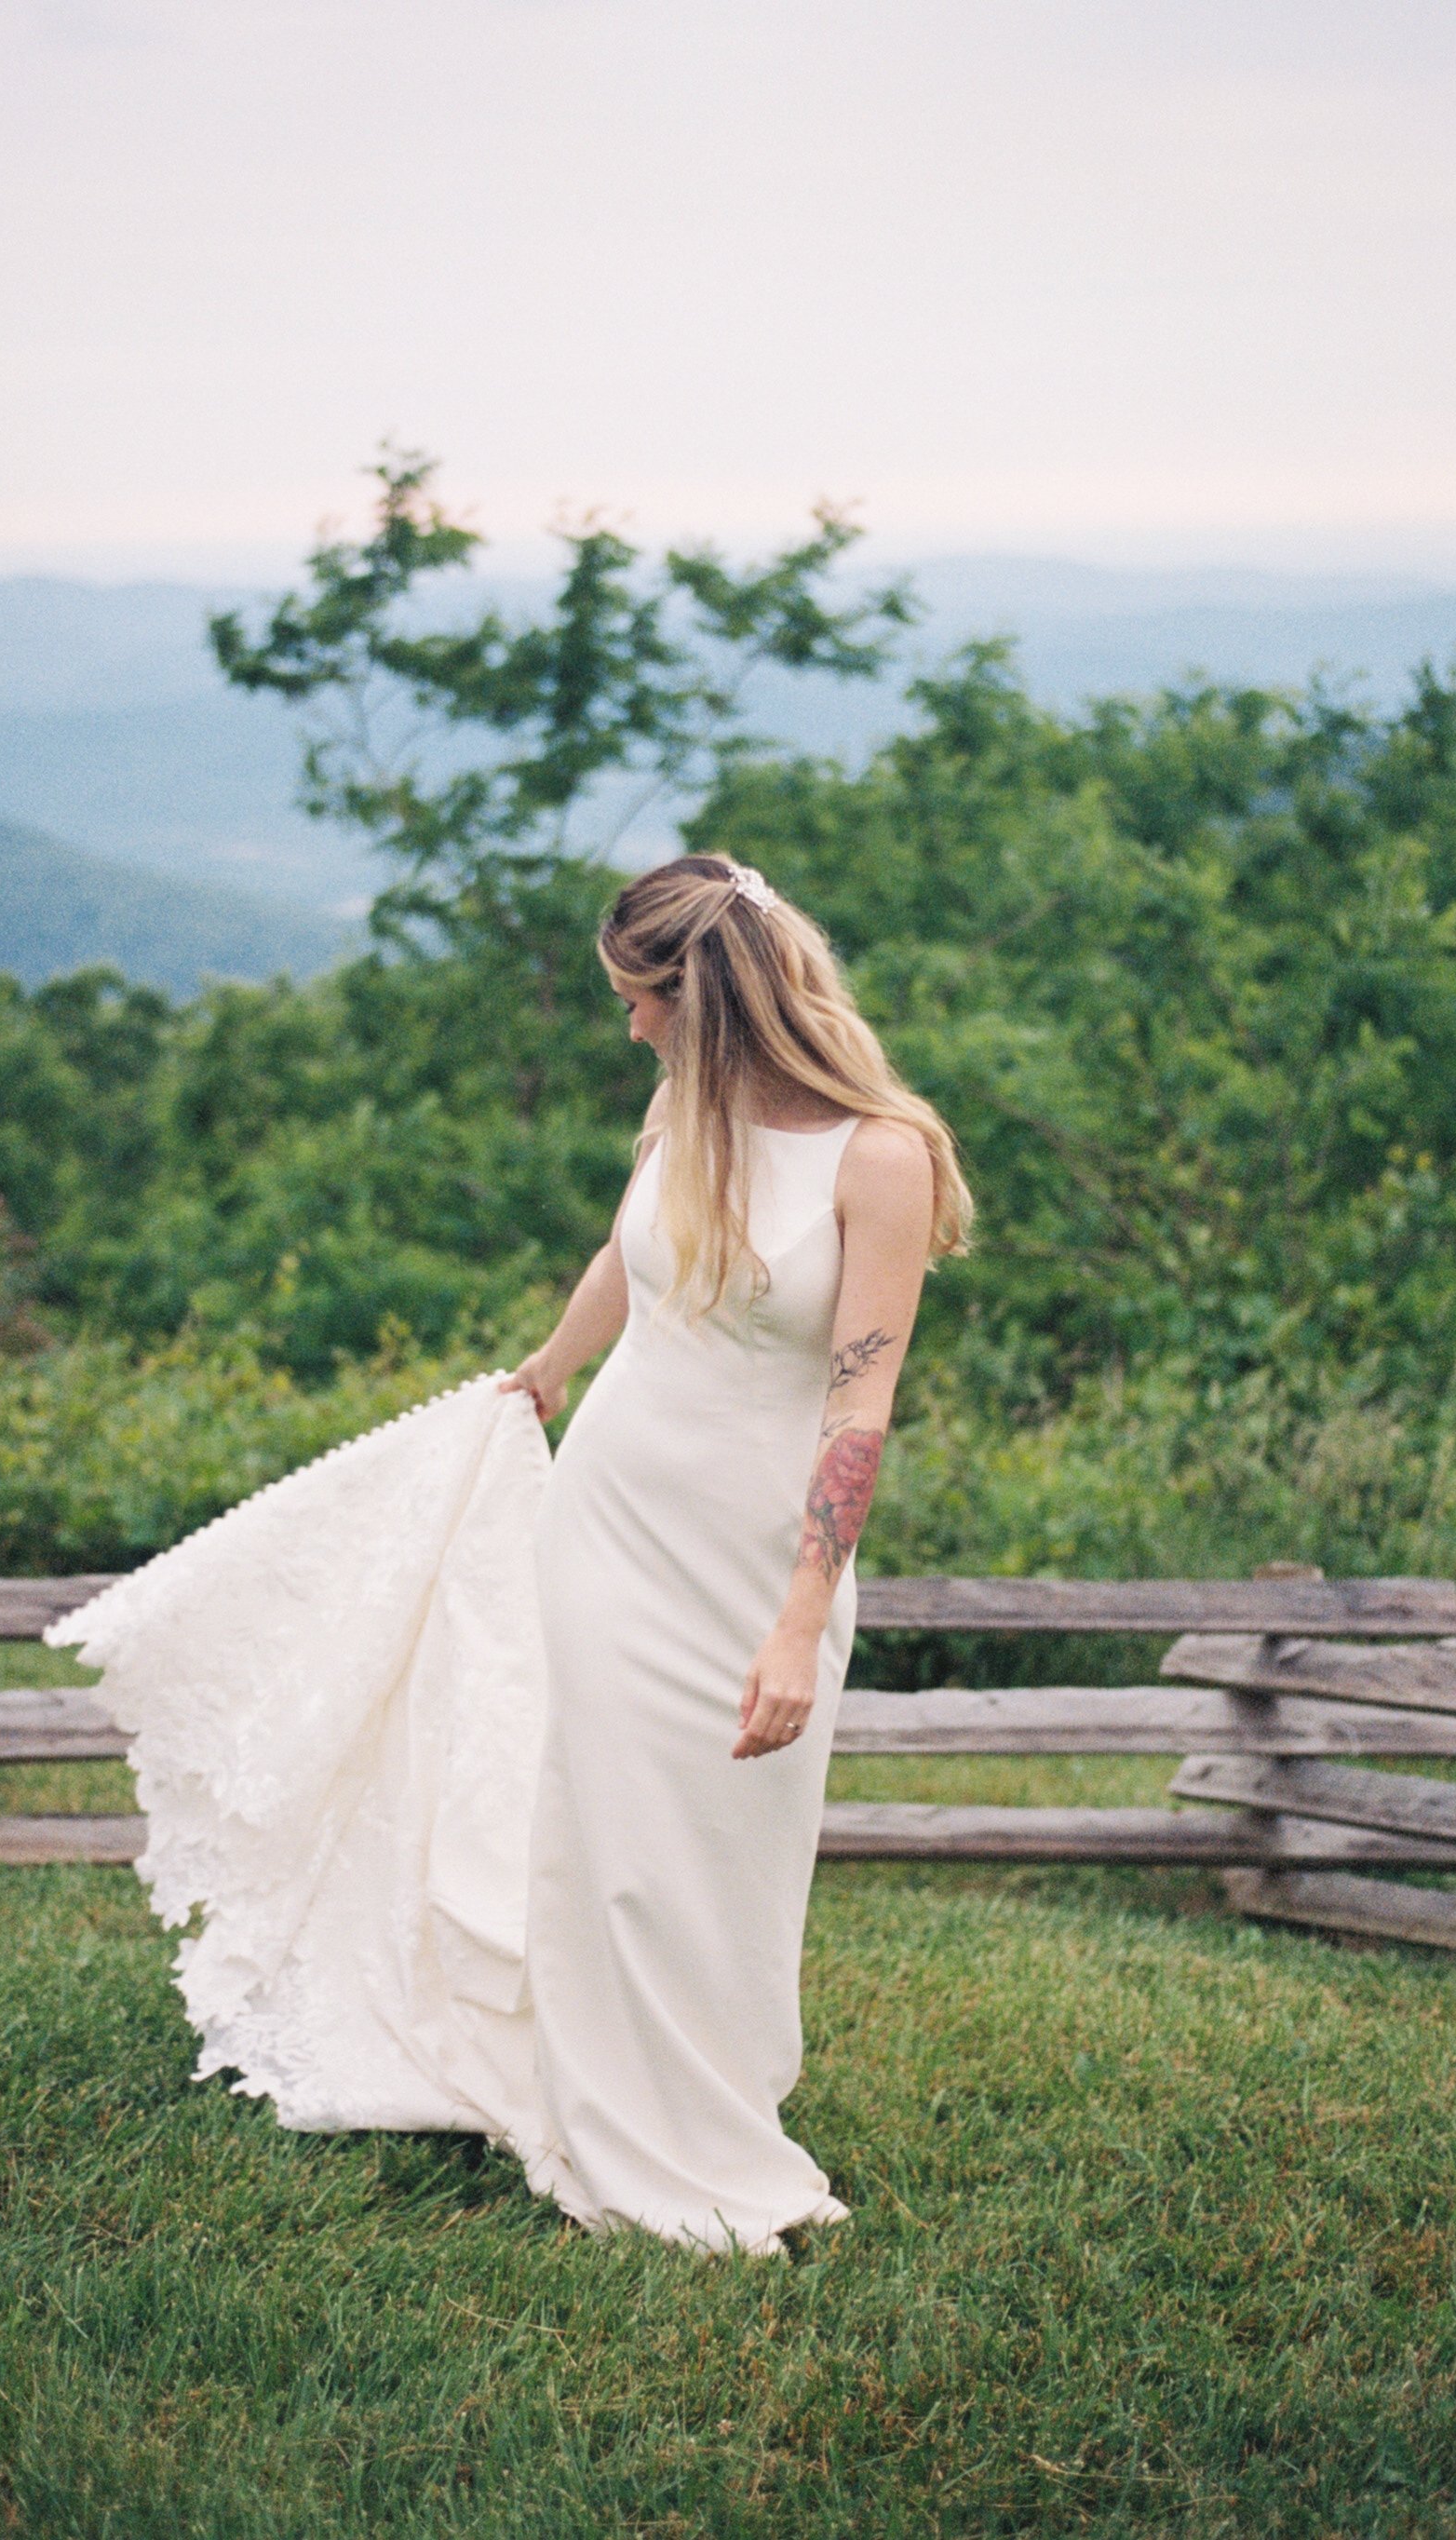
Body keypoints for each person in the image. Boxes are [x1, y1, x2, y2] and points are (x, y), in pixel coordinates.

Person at [500, 853, 971, 2251]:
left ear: (701, 1000)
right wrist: (540, 1374)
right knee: (611, 1834)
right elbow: (626, 1257)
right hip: (611, 1514)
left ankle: (710, 2112)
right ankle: (601, 2109)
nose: (629, 1028)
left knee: (725, 1846)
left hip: (761, 1554)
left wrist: (796, 1618)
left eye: (640, 1001)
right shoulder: (678, 1109)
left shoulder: (880, 1158)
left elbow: (860, 1404)